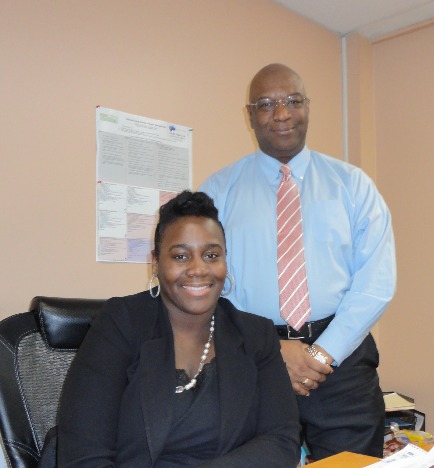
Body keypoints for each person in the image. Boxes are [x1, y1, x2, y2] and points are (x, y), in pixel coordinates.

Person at [199, 63, 396, 460]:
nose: (282, 113)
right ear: (250, 115)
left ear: (307, 107)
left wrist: (321, 355)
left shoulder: (353, 185)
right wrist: (272, 347)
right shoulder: (217, 191)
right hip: (251, 356)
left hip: (341, 359)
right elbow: (201, 284)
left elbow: (376, 283)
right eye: (267, 104)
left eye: (293, 101)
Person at [57, 191, 301, 467]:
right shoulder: (121, 323)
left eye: (211, 255)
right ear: (156, 263)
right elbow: (83, 456)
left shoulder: (256, 335)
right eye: (181, 256)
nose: (198, 269)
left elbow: (282, 439)